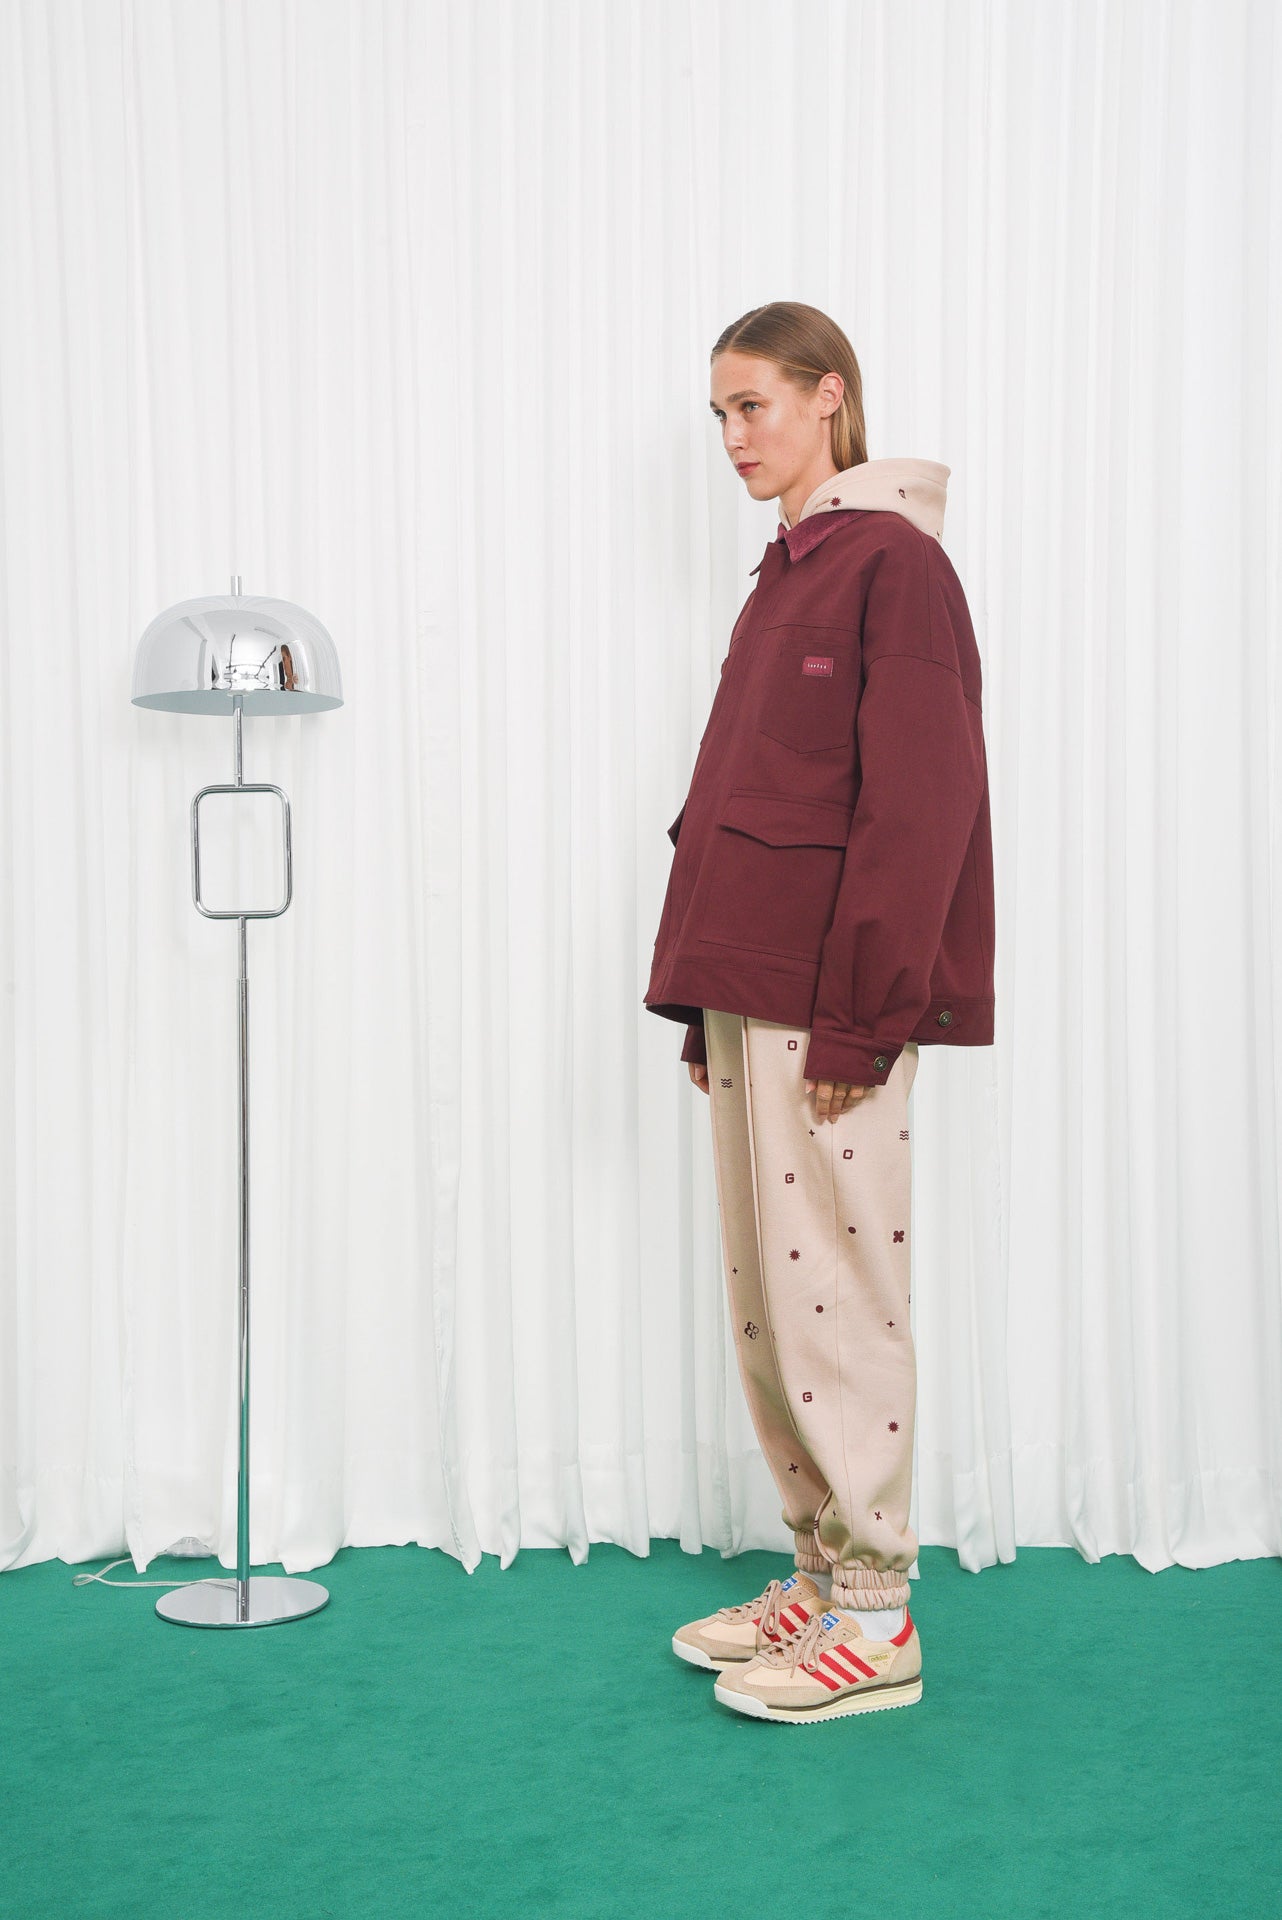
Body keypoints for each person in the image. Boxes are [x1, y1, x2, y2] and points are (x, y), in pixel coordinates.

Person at [644, 301, 995, 1723]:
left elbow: (919, 806)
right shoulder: (788, 568)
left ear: (828, 397)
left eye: (753, 407)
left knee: (837, 1298)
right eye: (718, 415)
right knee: (770, 1303)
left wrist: (865, 1016)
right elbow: (747, 800)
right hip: (755, 993)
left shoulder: (893, 565)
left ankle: (874, 1619)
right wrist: (701, 999)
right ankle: (816, 1570)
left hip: (833, 1004)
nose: (732, 438)